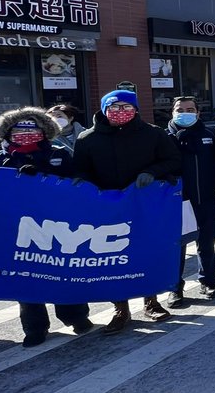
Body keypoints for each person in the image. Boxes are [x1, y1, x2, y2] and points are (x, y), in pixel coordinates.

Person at [0, 107, 92, 346]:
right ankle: (34, 328)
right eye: (19, 131)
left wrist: (46, 175)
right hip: (16, 230)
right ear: (6, 133)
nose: (26, 135)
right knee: (27, 277)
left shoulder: (60, 154)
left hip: (55, 226)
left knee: (62, 273)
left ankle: (76, 317)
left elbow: (76, 184)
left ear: (44, 132)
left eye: (33, 131)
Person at [71, 89, 180, 333]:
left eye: (126, 107)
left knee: (144, 251)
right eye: (115, 107)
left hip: (144, 204)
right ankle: (121, 308)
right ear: (104, 109)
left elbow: (174, 160)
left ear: (136, 109)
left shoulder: (154, 134)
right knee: (113, 257)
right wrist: (82, 182)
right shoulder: (87, 139)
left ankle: (151, 301)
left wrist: (152, 172)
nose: (121, 112)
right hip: (106, 208)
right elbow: (79, 170)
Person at [167, 96, 215, 305]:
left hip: (206, 200)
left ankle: (208, 282)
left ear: (198, 113)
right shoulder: (164, 137)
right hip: (176, 204)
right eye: (180, 109)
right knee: (176, 248)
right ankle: (174, 288)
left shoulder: (210, 135)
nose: (185, 112)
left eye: (190, 109)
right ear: (172, 112)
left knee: (206, 244)